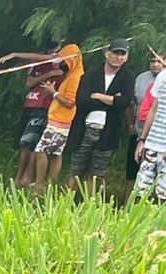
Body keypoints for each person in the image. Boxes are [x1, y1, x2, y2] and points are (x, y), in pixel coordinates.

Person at [67, 40, 133, 193]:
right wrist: (111, 100)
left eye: (122, 54)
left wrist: (98, 96)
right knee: (76, 169)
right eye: (115, 53)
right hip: (85, 128)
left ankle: (89, 206)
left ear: (127, 57)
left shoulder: (127, 77)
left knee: (96, 173)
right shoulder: (91, 74)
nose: (118, 57)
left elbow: (124, 102)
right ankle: (66, 203)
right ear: (107, 54)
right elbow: (82, 101)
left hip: (108, 131)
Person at [0, 42, 65, 188]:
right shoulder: (37, 62)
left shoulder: (63, 56)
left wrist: (15, 54)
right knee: (24, 144)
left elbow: (46, 58)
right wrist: (49, 74)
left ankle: (30, 180)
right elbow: (29, 82)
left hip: (45, 106)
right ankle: (20, 178)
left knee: (34, 144)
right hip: (30, 104)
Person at [32, 43, 84, 193]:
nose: (62, 63)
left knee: (41, 150)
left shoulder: (76, 77)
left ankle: (39, 185)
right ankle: (50, 185)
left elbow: (70, 102)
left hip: (61, 121)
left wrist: (52, 92)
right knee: (56, 152)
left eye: (65, 60)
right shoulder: (72, 74)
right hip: (60, 120)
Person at [129, 53, 163, 186]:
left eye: (159, 61)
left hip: (162, 142)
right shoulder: (145, 78)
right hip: (146, 136)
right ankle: (130, 206)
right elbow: (145, 110)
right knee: (140, 181)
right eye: (152, 61)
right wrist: (141, 138)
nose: (156, 64)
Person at [136, 54, 166, 202]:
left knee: (163, 196)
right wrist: (142, 140)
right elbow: (153, 109)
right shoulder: (162, 77)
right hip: (152, 144)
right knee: (141, 192)